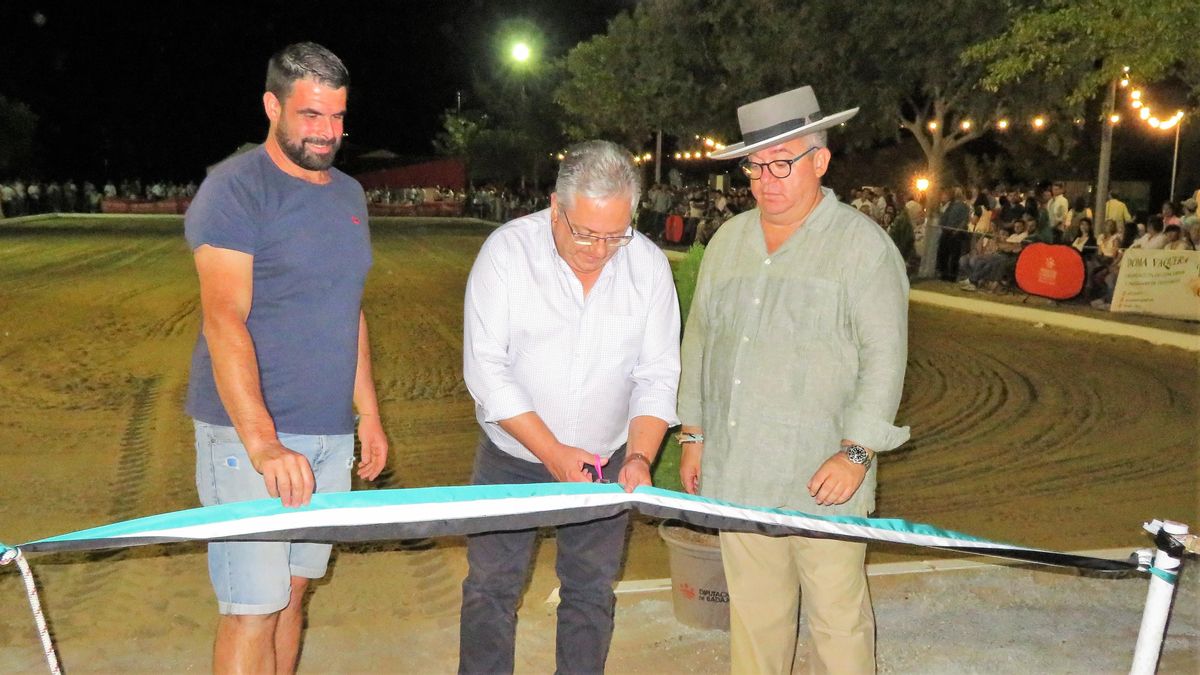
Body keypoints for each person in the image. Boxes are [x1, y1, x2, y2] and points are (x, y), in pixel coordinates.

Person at [679, 86, 909, 674]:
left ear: (821, 161)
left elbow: (884, 357)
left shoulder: (862, 248)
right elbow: (701, 342)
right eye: (755, 166)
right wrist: (694, 433)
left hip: (823, 478)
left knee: (837, 620)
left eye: (782, 163)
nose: (765, 179)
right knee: (755, 622)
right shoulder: (728, 244)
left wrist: (856, 453)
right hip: (741, 470)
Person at [184, 42, 388, 674]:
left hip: (329, 433)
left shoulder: (350, 195)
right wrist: (264, 444)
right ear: (272, 106)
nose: (327, 133)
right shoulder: (235, 190)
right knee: (253, 604)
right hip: (248, 436)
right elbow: (224, 321)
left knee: (295, 592)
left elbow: (346, 308)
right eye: (311, 116)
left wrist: (369, 415)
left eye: (337, 117)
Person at [458, 140, 681, 675]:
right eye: (584, 233)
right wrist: (552, 451)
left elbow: (656, 374)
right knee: (490, 589)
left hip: (607, 462)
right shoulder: (507, 254)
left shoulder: (647, 267)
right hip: (511, 458)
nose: (599, 249)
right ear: (555, 207)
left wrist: (640, 459)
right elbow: (487, 371)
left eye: (614, 235)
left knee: (589, 590)